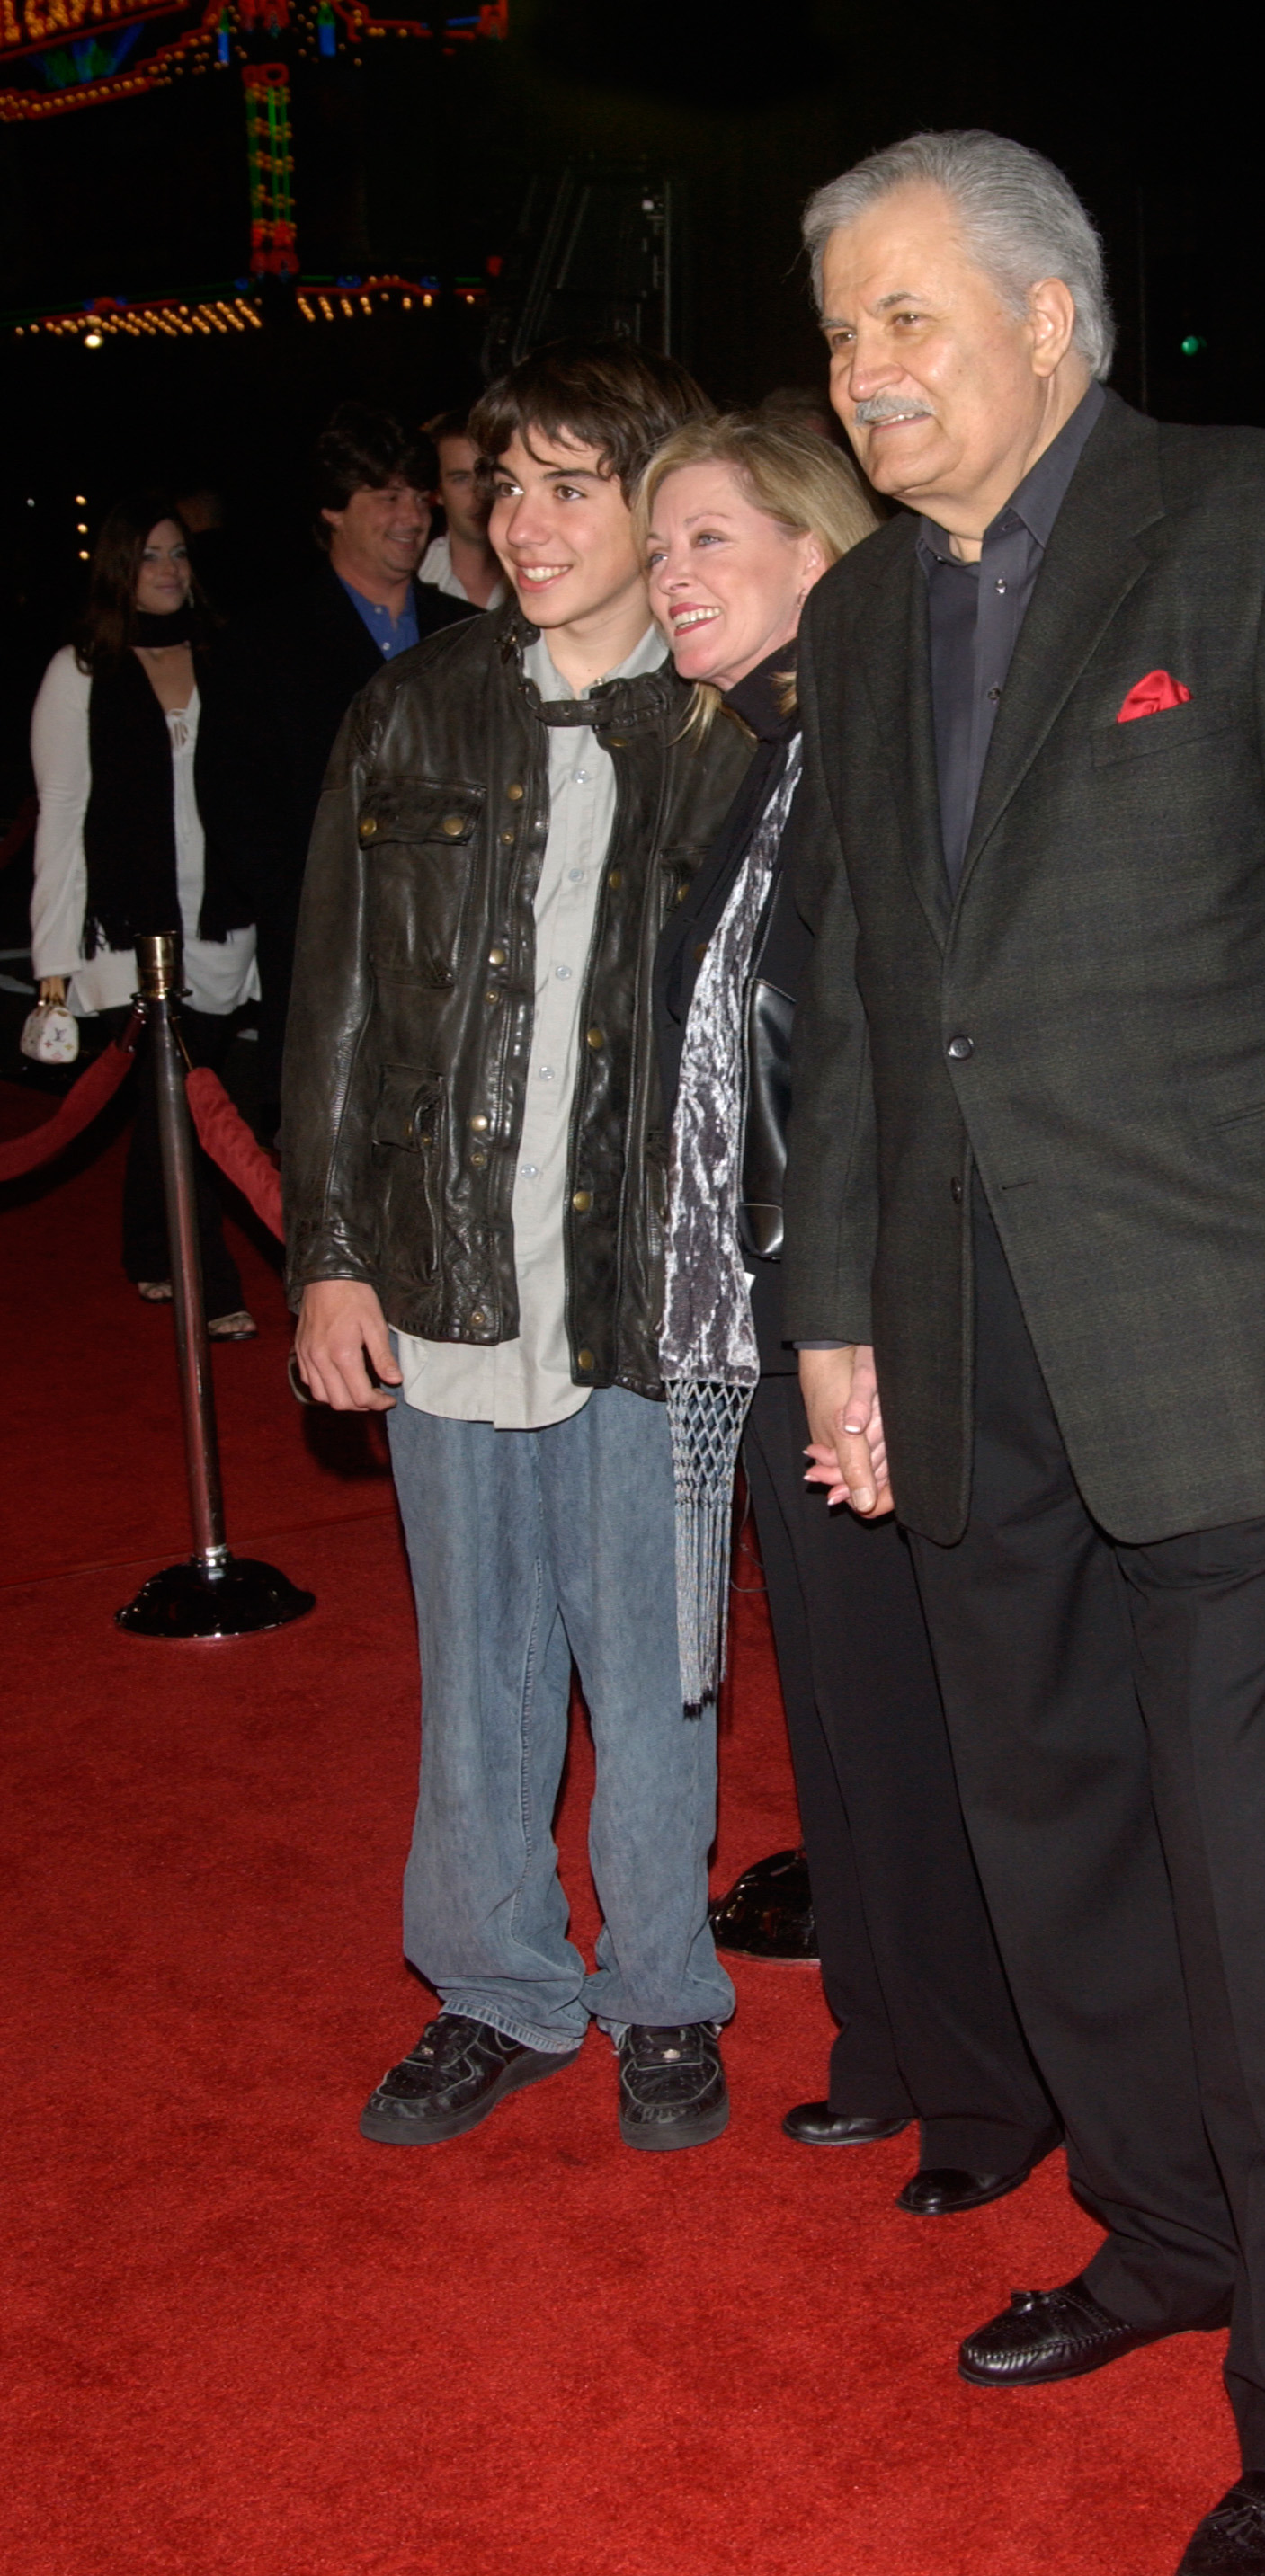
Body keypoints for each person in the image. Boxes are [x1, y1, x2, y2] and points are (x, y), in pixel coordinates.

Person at [784, 131, 1265, 2576]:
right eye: (840, 332)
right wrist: (841, 1322)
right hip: (970, 1355)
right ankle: (1161, 2230)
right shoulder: (861, 625)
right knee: (1053, 1846)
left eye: (905, 318)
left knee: (1262, 1896)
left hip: (1231, 1347)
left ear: (1053, 318)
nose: (861, 372)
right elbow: (869, 1004)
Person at [282, 341, 753, 2154]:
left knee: (651, 1658)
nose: (525, 523)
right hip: (443, 1260)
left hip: (643, 1280)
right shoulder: (410, 710)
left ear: (654, 503)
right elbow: (328, 1009)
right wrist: (330, 1252)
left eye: (574, 487)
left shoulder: (723, 719)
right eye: (508, 487)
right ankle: (496, 1984)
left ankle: (659, 1992)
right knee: (474, 1660)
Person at [638, 415, 1054, 2212]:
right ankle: (886, 2047)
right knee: (842, 1720)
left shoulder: (865, 747)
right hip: (766, 1312)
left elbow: (896, 1060)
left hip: (868, 1317)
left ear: (824, 552)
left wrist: (856, 1334)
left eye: (709, 538)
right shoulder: (751, 758)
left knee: (917, 1716)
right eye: (660, 546)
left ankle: (985, 2087)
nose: (672, 578)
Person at [200, 405, 476, 1140]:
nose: (410, 515)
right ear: (332, 510)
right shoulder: (264, 642)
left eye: (418, 496)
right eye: (384, 496)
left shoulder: (467, 635)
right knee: (329, 1159)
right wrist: (313, 914)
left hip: (451, 952)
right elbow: (235, 802)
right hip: (326, 957)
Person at [29, 492, 259, 1339]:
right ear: (118, 569)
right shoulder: (81, 670)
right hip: (131, 923)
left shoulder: (224, 656)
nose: (167, 571)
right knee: (184, 1082)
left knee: (173, 1092)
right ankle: (213, 1281)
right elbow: (60, 812)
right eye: (150, 557)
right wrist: (55, 955)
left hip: (222, 916)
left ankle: (148, 1247)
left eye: (177, 555)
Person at [419, 410, 509, 609]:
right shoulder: (416, 577)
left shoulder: (541, 574)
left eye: (487, 475)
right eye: (461, 479)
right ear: (438, 492)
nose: (479, 492)